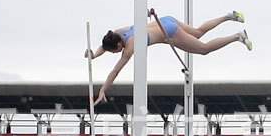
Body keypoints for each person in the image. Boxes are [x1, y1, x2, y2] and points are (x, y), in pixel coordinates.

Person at [87, 11, 251, 104]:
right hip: (166, 20)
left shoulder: (130, 46)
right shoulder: (118, 32)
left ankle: (237, 37)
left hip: (170, 33)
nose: (115, 54)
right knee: (198, 32)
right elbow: (103, 46)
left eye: (114, 52)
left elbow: (115, 71)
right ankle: (229, 17)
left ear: (118, 47)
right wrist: (94, 55)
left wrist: (102, 90)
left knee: (204, 49)